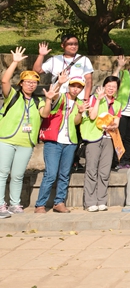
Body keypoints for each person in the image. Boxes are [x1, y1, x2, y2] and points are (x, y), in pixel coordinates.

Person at [0, 48, 43, 217]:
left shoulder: (38, 101)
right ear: (21, 83)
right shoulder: (13, 96)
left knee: (18, 175)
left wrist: (53, 93)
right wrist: (15, 62)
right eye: (27, 81)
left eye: (34, 82)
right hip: (6, 139)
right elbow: (5, 80)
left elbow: (45, 113)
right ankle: (0, 205)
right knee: (2, 173)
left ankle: (14, 204)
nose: (31, 84)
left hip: (26, 142)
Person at [35, 76, 84, 213]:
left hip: (70, 142)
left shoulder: (80, 102)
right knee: (50, 174)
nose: (75, 89)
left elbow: (76, 122)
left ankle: (59, 202)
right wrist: (59, 83)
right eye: (73, 86)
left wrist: (80, 112)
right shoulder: (61, 97)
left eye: (79, 87)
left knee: (64, 174)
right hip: (53, 141)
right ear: (69, 86)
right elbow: (53, 95)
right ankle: (40, 204)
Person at [80, 76, 122, 212]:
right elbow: (92, 116)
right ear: (104, 86)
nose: (111, 89)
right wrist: (98, 99)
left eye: (114, 87)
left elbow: (116, 123)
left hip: (109, 138)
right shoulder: (94, 98)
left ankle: (101, 200)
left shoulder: (117, 104)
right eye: (108, 86)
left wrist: (112, 126)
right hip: (94, 137)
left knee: (104, 172)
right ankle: (90, 202)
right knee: (91, 170)